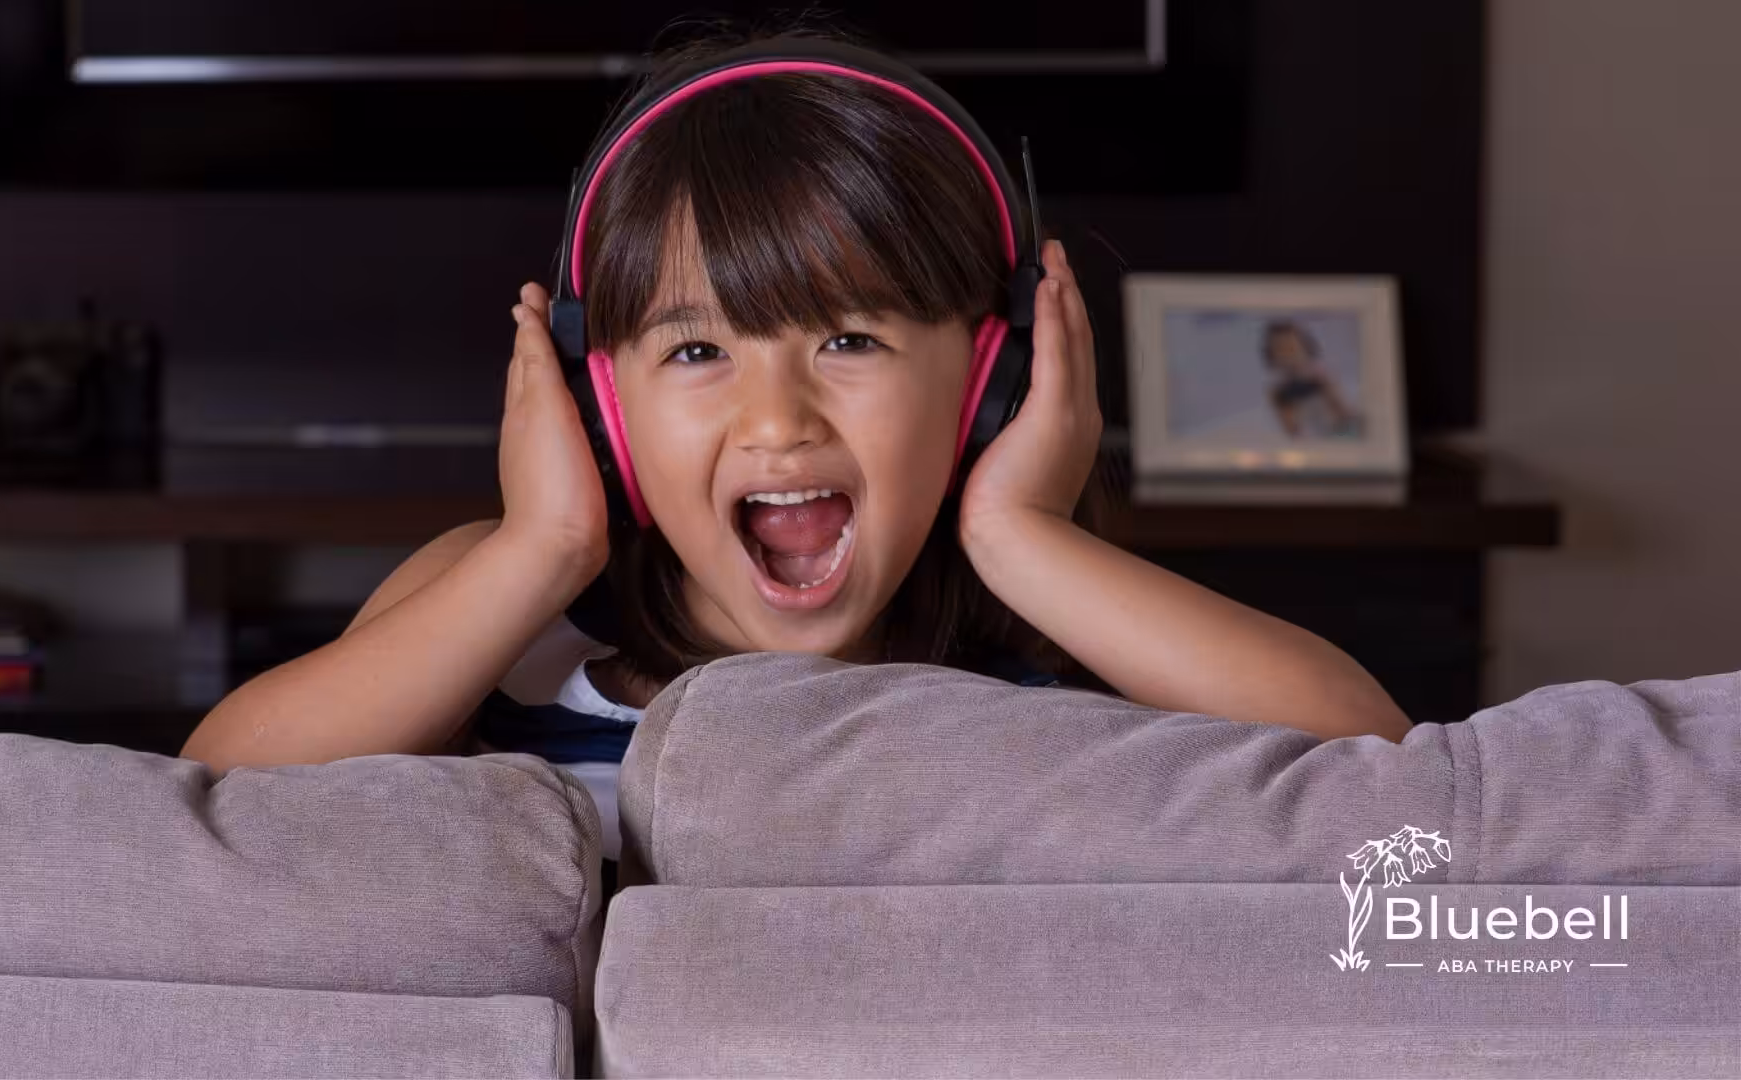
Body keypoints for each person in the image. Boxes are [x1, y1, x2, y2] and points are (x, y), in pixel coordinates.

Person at [179, 29, 1414, 911]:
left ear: (991, 382)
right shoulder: (509, 623)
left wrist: (1023, 534)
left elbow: (1384, 792)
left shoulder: (1062, 667)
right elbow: (211, 805)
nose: (779, 419)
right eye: (699, 348)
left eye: (850, 339)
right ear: (597, 394)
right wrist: (538, 547)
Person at [1261, 319, 1364, 438]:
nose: (1288, 354)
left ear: (1305, 348)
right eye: (1280, 350)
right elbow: (1291, 429)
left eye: (1292, 348)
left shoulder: (1321, 378)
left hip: (1339, 432)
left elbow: (1343, 411)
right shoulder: (1278, 392)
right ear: (1272, 356)